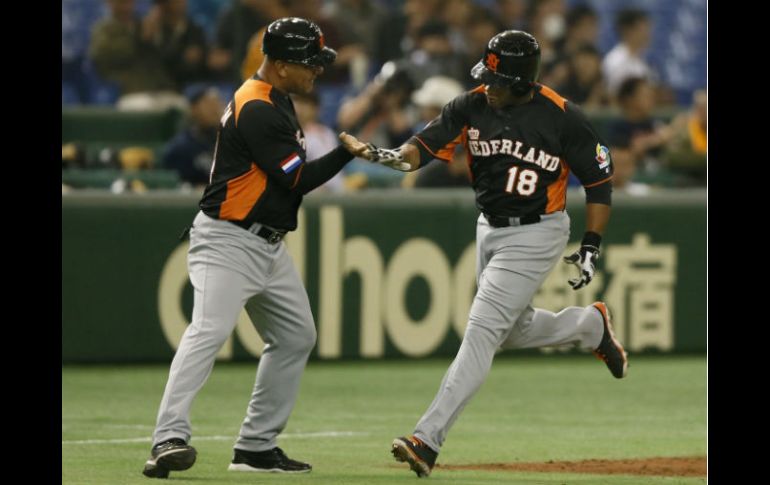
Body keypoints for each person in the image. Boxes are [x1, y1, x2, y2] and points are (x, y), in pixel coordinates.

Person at [366, 30, 628, 478]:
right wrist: (390, 156)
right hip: (489, 227)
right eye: (485, 75)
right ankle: (589, 326)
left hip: (537, 232)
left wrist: (591, 244)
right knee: (511, 330)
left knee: (482, 332)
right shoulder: (470, 104)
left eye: (496, 78)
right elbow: (422, 149)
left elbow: (599, 181)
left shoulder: (562, 117)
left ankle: (426, 440)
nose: (487, 84)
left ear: (522, 81)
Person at [141, 17, 370, 479]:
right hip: (229, 238)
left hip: (265, 244)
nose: (317, 71)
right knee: (208, 331)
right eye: (308, 63)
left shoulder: (276, 98)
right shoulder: (259, 105)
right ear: (281, 65)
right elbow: (298, 179)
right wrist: (346, 151)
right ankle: (168, 436)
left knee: (295, 336)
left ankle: (255, 446)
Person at [161, 85, 225, 188]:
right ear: (193, 109)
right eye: (208, 104)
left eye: (218, 104)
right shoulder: (181, 147)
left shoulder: (232, 142)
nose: (215, 109)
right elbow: (174, 184)